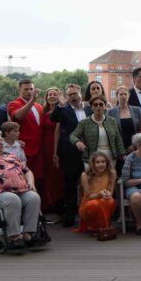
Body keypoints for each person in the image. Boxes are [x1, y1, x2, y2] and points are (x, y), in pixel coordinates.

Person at [49, 84, 89, 226]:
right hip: (69, 151)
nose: (73, 96)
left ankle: (89, 214)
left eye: (74, 93)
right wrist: (59, 106)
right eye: (69, 94)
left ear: (80, 94)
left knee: (89, 182)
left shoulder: (89, 108)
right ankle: (70, 216)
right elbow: (53, 119)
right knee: (70, 184)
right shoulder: (64, 110)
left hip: (89, 151)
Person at [8, 79, 46, 184]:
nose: (29, 91)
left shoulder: (39, 106)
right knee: (24, 178)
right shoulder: (14, 104)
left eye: (31, 89)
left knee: (38, 179)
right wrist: (32, 100)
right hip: (25, 149)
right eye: (26, 89)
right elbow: (19, 116)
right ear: (19, 90)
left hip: (39, 149)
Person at [71, 96, 126, 165]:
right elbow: (73, 136)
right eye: (95, 104)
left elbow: (118, 139)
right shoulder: (84, 122)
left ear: (105, 106)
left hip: (110, 157)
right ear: (91, 107)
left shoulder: (112, 121)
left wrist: (122, 153)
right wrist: (77, 142)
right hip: (92, 157)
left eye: (101, 104)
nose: (98, 106)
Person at [40, 87, 66, 214]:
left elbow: (59, 130)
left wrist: (55, 151)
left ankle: (57, 204)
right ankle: (48, 204)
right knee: (47, 174)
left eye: (55, 94)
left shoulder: (61, 111)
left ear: (59, 96)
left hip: (55, 145)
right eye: (49, 94)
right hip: (44, 146)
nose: (52, 97)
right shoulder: (43, 111)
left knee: (56, 174)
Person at [78, 152, 117, 234]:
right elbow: (88, 197)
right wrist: (99, 195)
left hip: (104, 201)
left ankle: (101, 228)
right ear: (93, 164)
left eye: (103, 162)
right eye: (98, 162)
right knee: (95, 204)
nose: (101, 164)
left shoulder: (112, 173)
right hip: (88, 205)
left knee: (109, 201)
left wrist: (107, 194)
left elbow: (111, 193)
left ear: (107, 162)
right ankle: (99, 228)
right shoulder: (85, 175)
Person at [108, 86, 141, 167]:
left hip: (135, 146)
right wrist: (119, 149)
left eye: (125, 94)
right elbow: (110, 132)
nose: (123, 96)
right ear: (117, 96)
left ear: (129, 95)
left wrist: (134, 145)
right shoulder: (111, 112)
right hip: (118, 148)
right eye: (121, 94)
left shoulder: (137, 110)